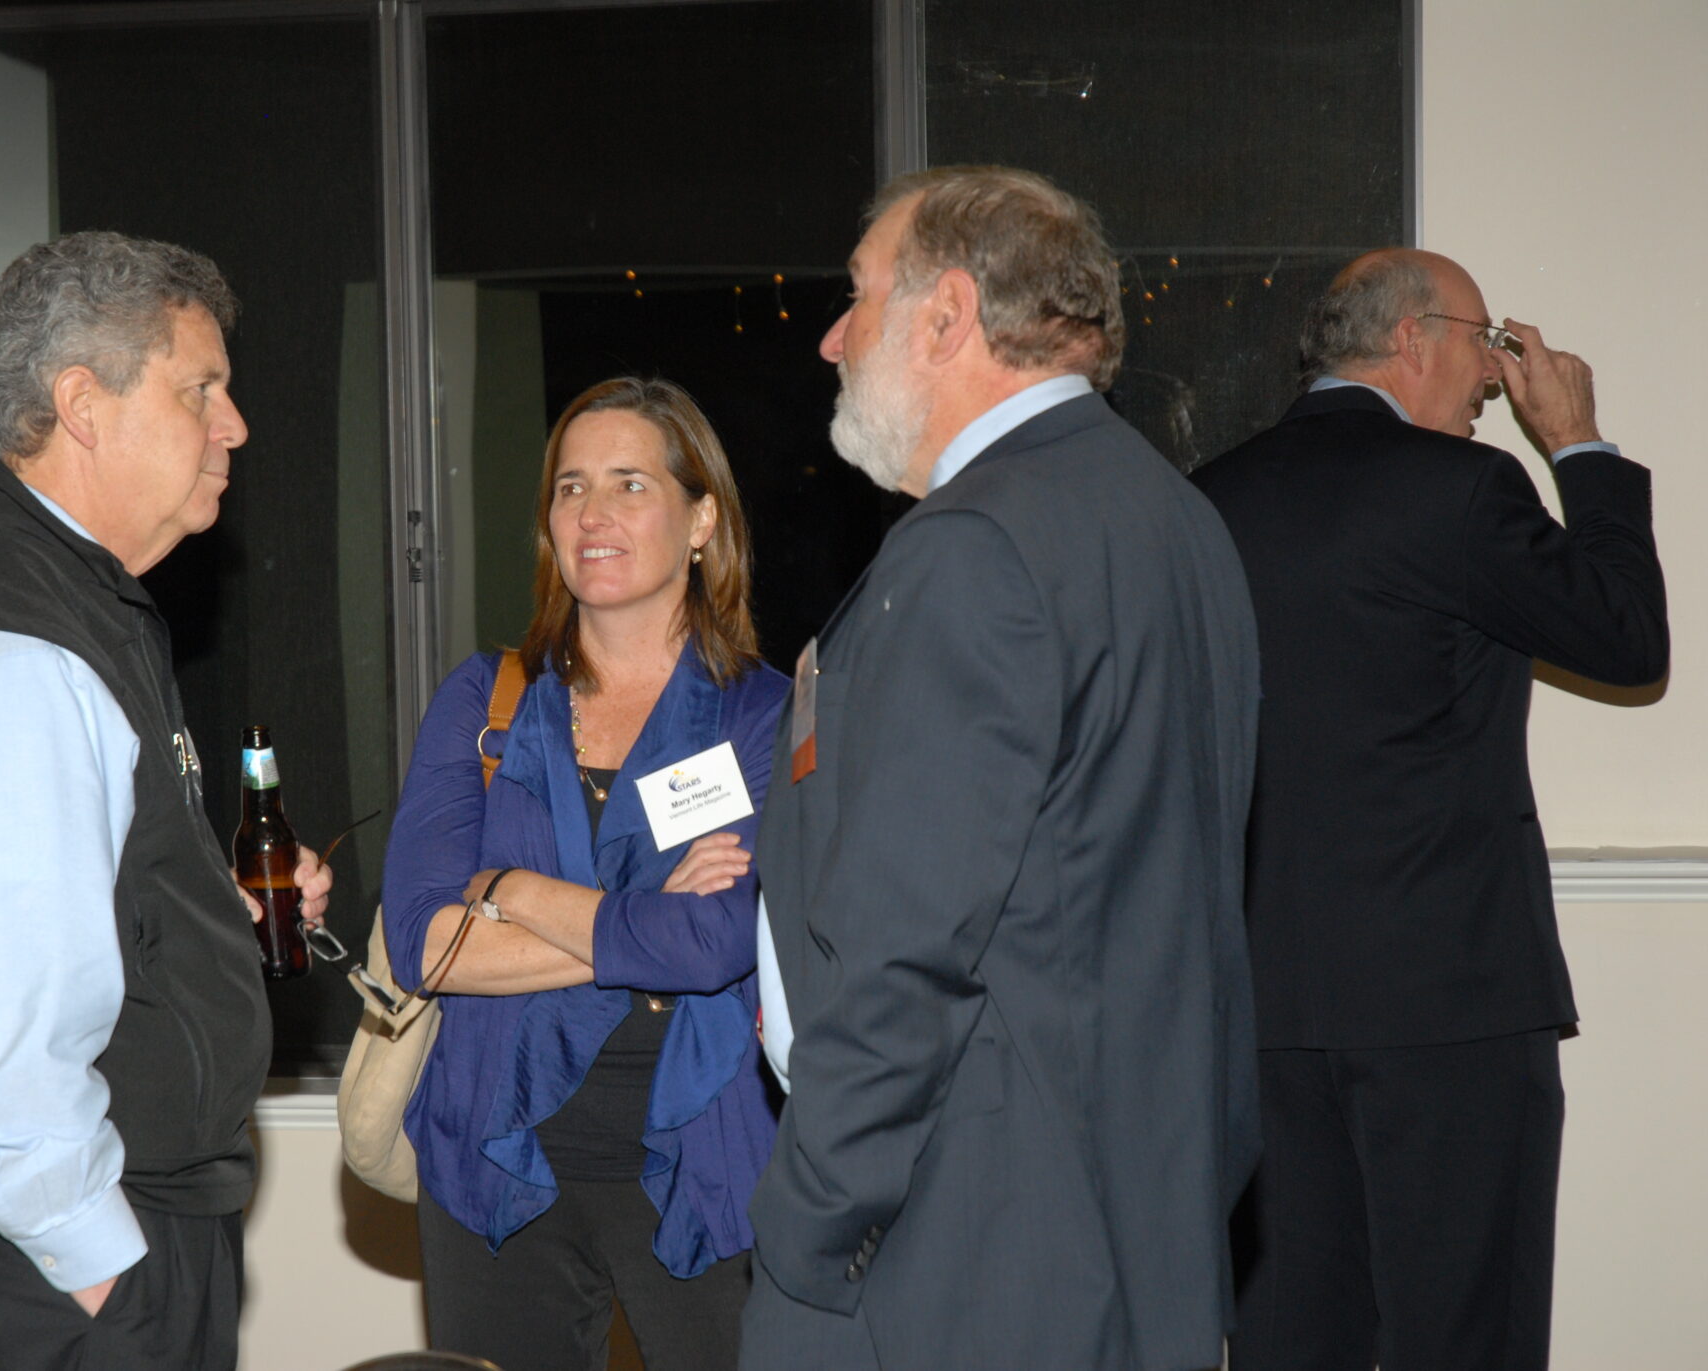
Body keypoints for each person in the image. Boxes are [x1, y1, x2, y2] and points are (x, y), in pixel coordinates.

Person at [742, 165, 1263, 1370]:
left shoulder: (970, 549)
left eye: (857, 296)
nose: (831, 339)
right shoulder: (1175, 520)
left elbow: (903, 957)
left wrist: (809, 1235)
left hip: (960, 1254)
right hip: (1134, 1230)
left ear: (945, 316)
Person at [0, 231, 331, 1371]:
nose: (235, 425)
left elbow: (57, 915)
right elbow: (3, 1037)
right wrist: (102, 1268)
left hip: (84, 1241)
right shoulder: (12, 650)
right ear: (82, 406)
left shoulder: (75, 605)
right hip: (59, 1259)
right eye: (200, 389)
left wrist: (208, 916)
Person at [1193, 249, 1667, 1371]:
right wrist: (1578, 446)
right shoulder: (1458, 488)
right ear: (1410, 339)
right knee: (1464, 1338)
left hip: (1258, 1013)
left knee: (1289, 1342)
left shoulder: (1205, 498)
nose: (1494, 377)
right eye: (1483, 342)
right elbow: (1625, 639)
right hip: (1449, 1011)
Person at [379, 377, 787, 1371]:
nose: (592, 513)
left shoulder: (762, 714)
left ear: (701, 520)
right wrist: (647, 923)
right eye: (571, 487)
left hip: (704, 1163)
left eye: (629, 484)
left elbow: (716, 943)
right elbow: (424, 945)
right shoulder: (485, 700)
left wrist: (509, 892)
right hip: (496, 1157)